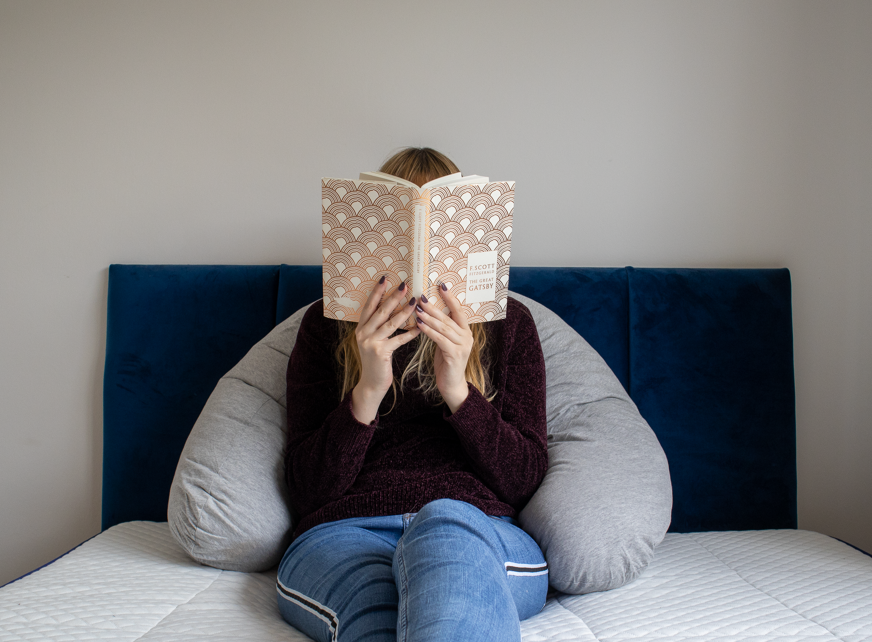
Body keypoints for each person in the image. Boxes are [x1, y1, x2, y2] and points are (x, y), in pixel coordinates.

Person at [277, 147, 549, 642]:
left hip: (477, 529)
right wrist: (367, 391)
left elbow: (524, 480)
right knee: (379, 612)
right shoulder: (324, 325)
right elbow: (306, 489)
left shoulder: (511, 327)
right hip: (347, 531)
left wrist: (458, 391)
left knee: (444, 525)